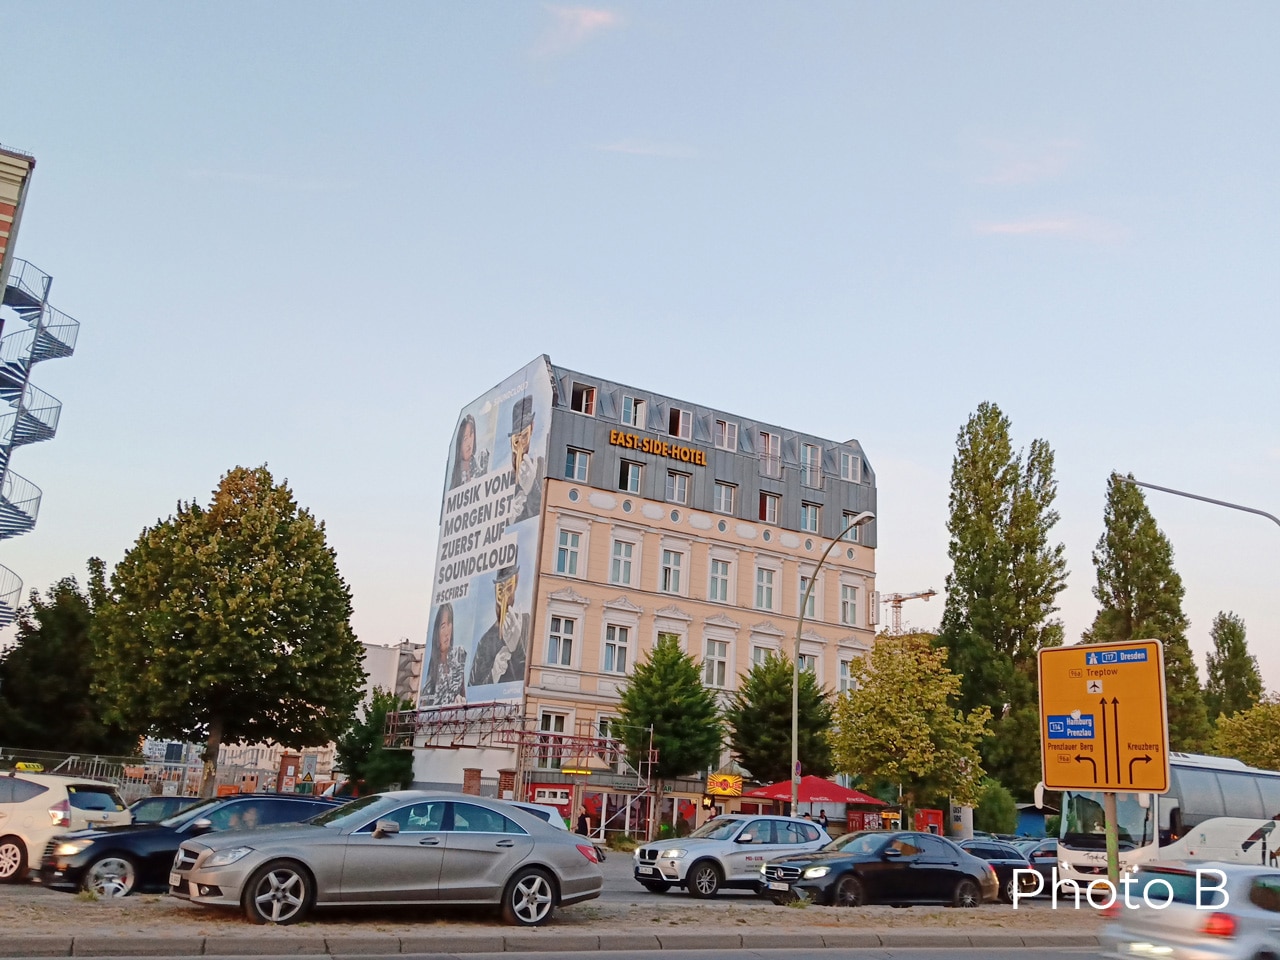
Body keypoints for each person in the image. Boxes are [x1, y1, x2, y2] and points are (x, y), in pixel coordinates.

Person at [469, 555, 530, 686]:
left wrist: (517, 647)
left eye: (509, 588)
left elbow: (530, 678)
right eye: (501, 589)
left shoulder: (528, 624)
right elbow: (473, 689)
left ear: (516, 584)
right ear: (495, 590)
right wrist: (494, 673)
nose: (505, 597)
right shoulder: (485, 642)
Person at [505, 397, 544, 524]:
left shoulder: (542, 467)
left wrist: (531, 487)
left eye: (525, 436)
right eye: (516, 440)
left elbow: (543, 514)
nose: (521, 446)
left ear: (532, 427)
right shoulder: (505, 479)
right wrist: (509, 518)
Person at [423, 602, 467, 706]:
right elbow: (424, 705)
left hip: (456, 715)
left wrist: (461, 700)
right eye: (443, 626)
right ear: (437, 632)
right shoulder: (433, 668)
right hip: (436, 715)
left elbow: (463, 695)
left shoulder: (459, 655)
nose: (447, 632)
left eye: (449, 624)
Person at [449, 414, 488, 489]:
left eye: (471, 435)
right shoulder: (455, 480)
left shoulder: (479, 470)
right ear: (459, 444)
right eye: (465, 439)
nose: (469, 443)